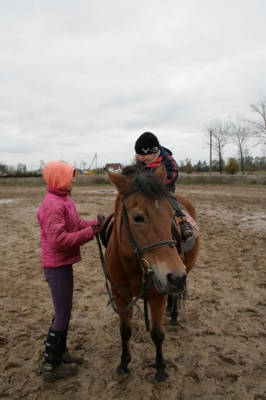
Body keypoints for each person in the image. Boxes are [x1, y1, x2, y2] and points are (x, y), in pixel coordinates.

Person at [37, 160, 102, 383]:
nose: (73, 179)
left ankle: (61, 352)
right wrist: (90, 234)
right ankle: (51, 365)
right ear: (59, 178)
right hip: (57, 265)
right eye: (70, 175)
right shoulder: (53, 204)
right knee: (62, 314)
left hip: (61, 264)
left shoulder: (63, 199)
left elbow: (75, 225)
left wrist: (96, 223)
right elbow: (59, 240)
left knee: (63, 312)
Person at [135, 132, 193, 241]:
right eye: (138, 155)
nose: (140, 158)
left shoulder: (168, 161)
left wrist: (157, 186)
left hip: (163, 188)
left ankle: (182, 222)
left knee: (170, 198)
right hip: (144, 188)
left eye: (143, 155)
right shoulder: (141, 160)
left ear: (154, 151)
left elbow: (172, 175)